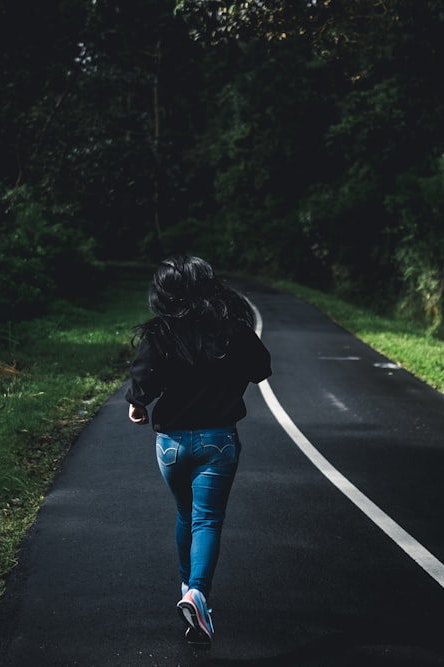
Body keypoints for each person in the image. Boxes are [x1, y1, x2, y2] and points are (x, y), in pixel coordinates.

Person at [126, 255, 272, 648]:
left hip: (171, 444)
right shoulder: (232, 329)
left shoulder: (160, 332)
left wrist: (138, 403)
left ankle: (187, 587)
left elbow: (143, 378)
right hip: (217, 441)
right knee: (207, 520)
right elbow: (261, 369)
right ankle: (197, 594)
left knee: (185, 514)